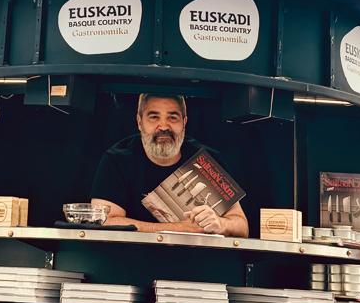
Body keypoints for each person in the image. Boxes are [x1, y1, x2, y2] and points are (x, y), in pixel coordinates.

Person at [90, 93, 248, 236]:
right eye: (154, 117)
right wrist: (182, 228)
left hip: (196, 256)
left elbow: (241, 226)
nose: (164, 126)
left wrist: (220, 224)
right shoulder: (117, 159)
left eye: (172, 117)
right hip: (131, 255)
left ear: (184, 122)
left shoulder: (205, 160)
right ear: (139, 122)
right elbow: (105, 221)